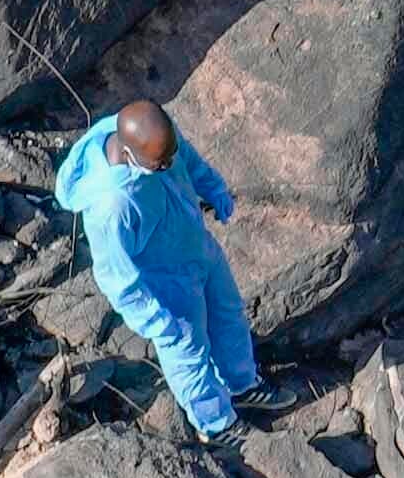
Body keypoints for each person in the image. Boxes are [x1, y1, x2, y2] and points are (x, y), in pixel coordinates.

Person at [56, 97, 256, 438]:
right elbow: (116, 278)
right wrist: (155, 320)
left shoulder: (159, 139)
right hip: (167, 283)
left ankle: (243, 385)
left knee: (229, 314)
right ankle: (218, 426)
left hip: (197, 247)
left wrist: (213, 188)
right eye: (161, 163)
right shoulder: (112, 207)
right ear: (131, 157)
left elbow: (188, 160)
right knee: (187, 352)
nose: (170, 163)